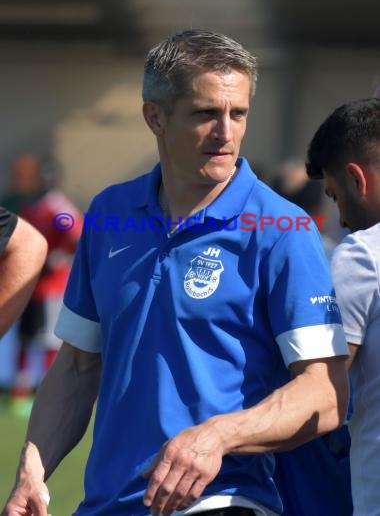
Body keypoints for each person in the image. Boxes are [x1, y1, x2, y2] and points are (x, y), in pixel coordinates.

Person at [2, 29, 349, 516]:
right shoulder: (109, 212)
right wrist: (32, 471)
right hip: (106, 505)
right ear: (155, 117)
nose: (225, 133)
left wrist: (217, 436)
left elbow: (326, 394)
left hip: (222, 501)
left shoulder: (281, 228)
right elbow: (79, 365)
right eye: (206, 113)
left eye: (238, 113)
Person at [306, 97, 380, 516]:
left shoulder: (363, 255)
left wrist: (221, 433)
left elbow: (318, 391)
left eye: (335, 197)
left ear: (357, 179)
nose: (344, 221)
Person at [270, 158, 352, 515]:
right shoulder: (341, 259)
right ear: (322, 203)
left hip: (272, 419)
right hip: (326, 423)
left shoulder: (255, 259)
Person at [1, 154, 82, 414]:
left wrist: (60, 257)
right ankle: (20, 393)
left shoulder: (56, 206)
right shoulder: (32, 205)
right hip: (30, 284)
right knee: (25, 338)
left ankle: (48, 394)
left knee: (48, 341)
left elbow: (77, 235)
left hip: (52, 288)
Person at [0, 207, 47, 337]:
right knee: (25, 341)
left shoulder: (55, 207)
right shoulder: (30, 207)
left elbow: (29, 242)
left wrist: (58, 257)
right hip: (30, 288)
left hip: (48, 290)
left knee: (44, 343)